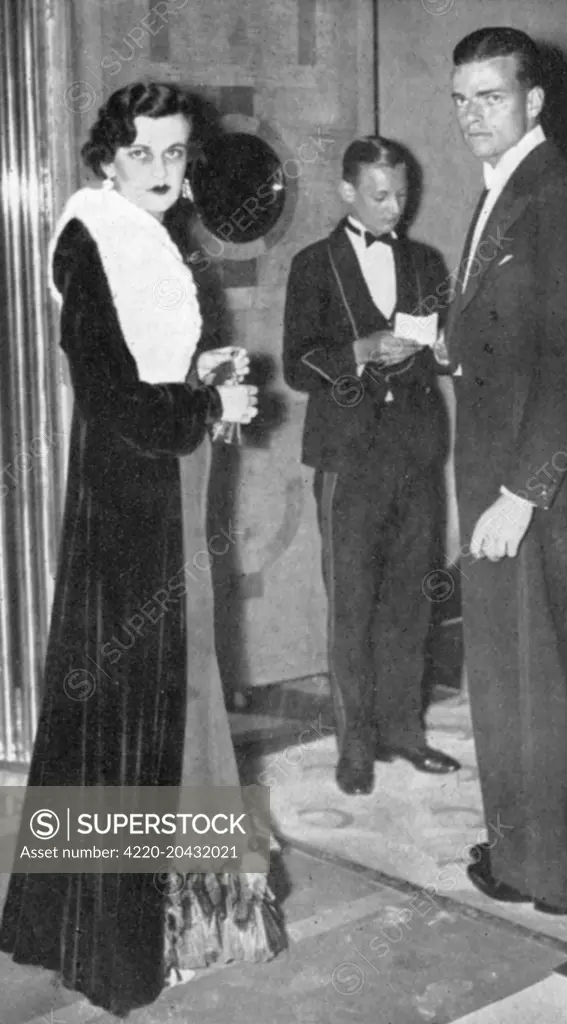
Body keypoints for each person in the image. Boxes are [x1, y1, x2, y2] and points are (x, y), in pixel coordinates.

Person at [0, 81, 286, 1017]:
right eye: (145, 154)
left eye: (176, 154)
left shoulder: (145, 231)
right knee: (144, 703)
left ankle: (181, 923)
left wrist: (201, 375)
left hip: (166, 489)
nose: (164, 172)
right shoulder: (92, 238)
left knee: (183, 692)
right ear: (107, 159)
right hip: (133, 507)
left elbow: (146, 367)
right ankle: (118, 942)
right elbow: (116, 396)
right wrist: (210, 407)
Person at [445, 28, 567, 914]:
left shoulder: (554, 194)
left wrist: (519, 493)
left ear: (533, 99)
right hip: (503, 475)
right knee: (521, 675)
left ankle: (536, 874)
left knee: (524, 682)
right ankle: (553, 851)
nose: (475, 114)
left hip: (525, 487)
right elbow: (514, 333)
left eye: (493, 96)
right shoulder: (510, 186)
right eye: (462, 98)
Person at [282, 137, 461, 796]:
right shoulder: (314, 264)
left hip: (415, 453)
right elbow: (294, 361)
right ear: (347, 192)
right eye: (381, 194)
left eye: (402, 194)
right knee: (351, 606)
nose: (395, 207)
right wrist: (355, 350)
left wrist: (446, 349)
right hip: (347, 456)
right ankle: (354, 747)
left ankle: (405, 733)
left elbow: (443, 346)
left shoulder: (423, 260)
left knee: (410, 599)